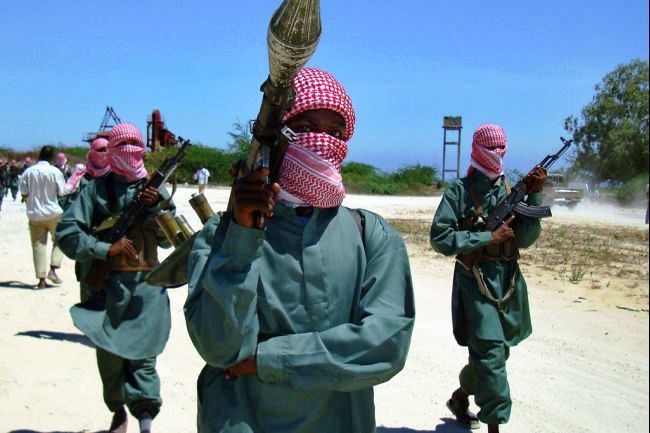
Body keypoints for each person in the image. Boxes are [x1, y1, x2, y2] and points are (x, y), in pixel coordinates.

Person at [184, 67, 415, 433]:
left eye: (336, 132)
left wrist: (267, 359)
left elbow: (385, 345)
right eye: (306, 128)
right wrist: (242, 235)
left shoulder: (372, 236)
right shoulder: (220, 235)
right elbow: (219, 349)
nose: (323, 141)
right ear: (279, 135)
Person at [56, 123, 175, 433]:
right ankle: (118, 411)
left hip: (146, 288)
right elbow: (67, 234)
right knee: (109, 356)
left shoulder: (155, 190)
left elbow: (169, 240)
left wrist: (157, 207)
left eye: (135, 147)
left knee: (145, 356)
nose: (129, 155)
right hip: (105, 288)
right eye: (123, 148)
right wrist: (105, 248)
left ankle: (145, 419)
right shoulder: (94, 190)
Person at [430, 124, 547, 433]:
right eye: (490, 148)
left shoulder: (511, 190)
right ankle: (495, 426)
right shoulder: (459, 190)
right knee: (492, 352)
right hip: (474, 280)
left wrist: (534, 197)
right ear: (477, 149)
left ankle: (459, 396)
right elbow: (439, 238)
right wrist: (484, 237)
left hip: (507, 281)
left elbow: (525, 239)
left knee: (496, 352)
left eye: (500, 149)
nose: (496, 154)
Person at [19, 146, 67, 288]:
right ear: (52, 157)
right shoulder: (54, 171)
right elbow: (62, 192)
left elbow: (23, 191)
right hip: (53, 212)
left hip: (35, 214)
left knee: (38, 245)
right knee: (60, 239)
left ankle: (41, 280)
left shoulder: (29, 172)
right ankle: (53, 267)